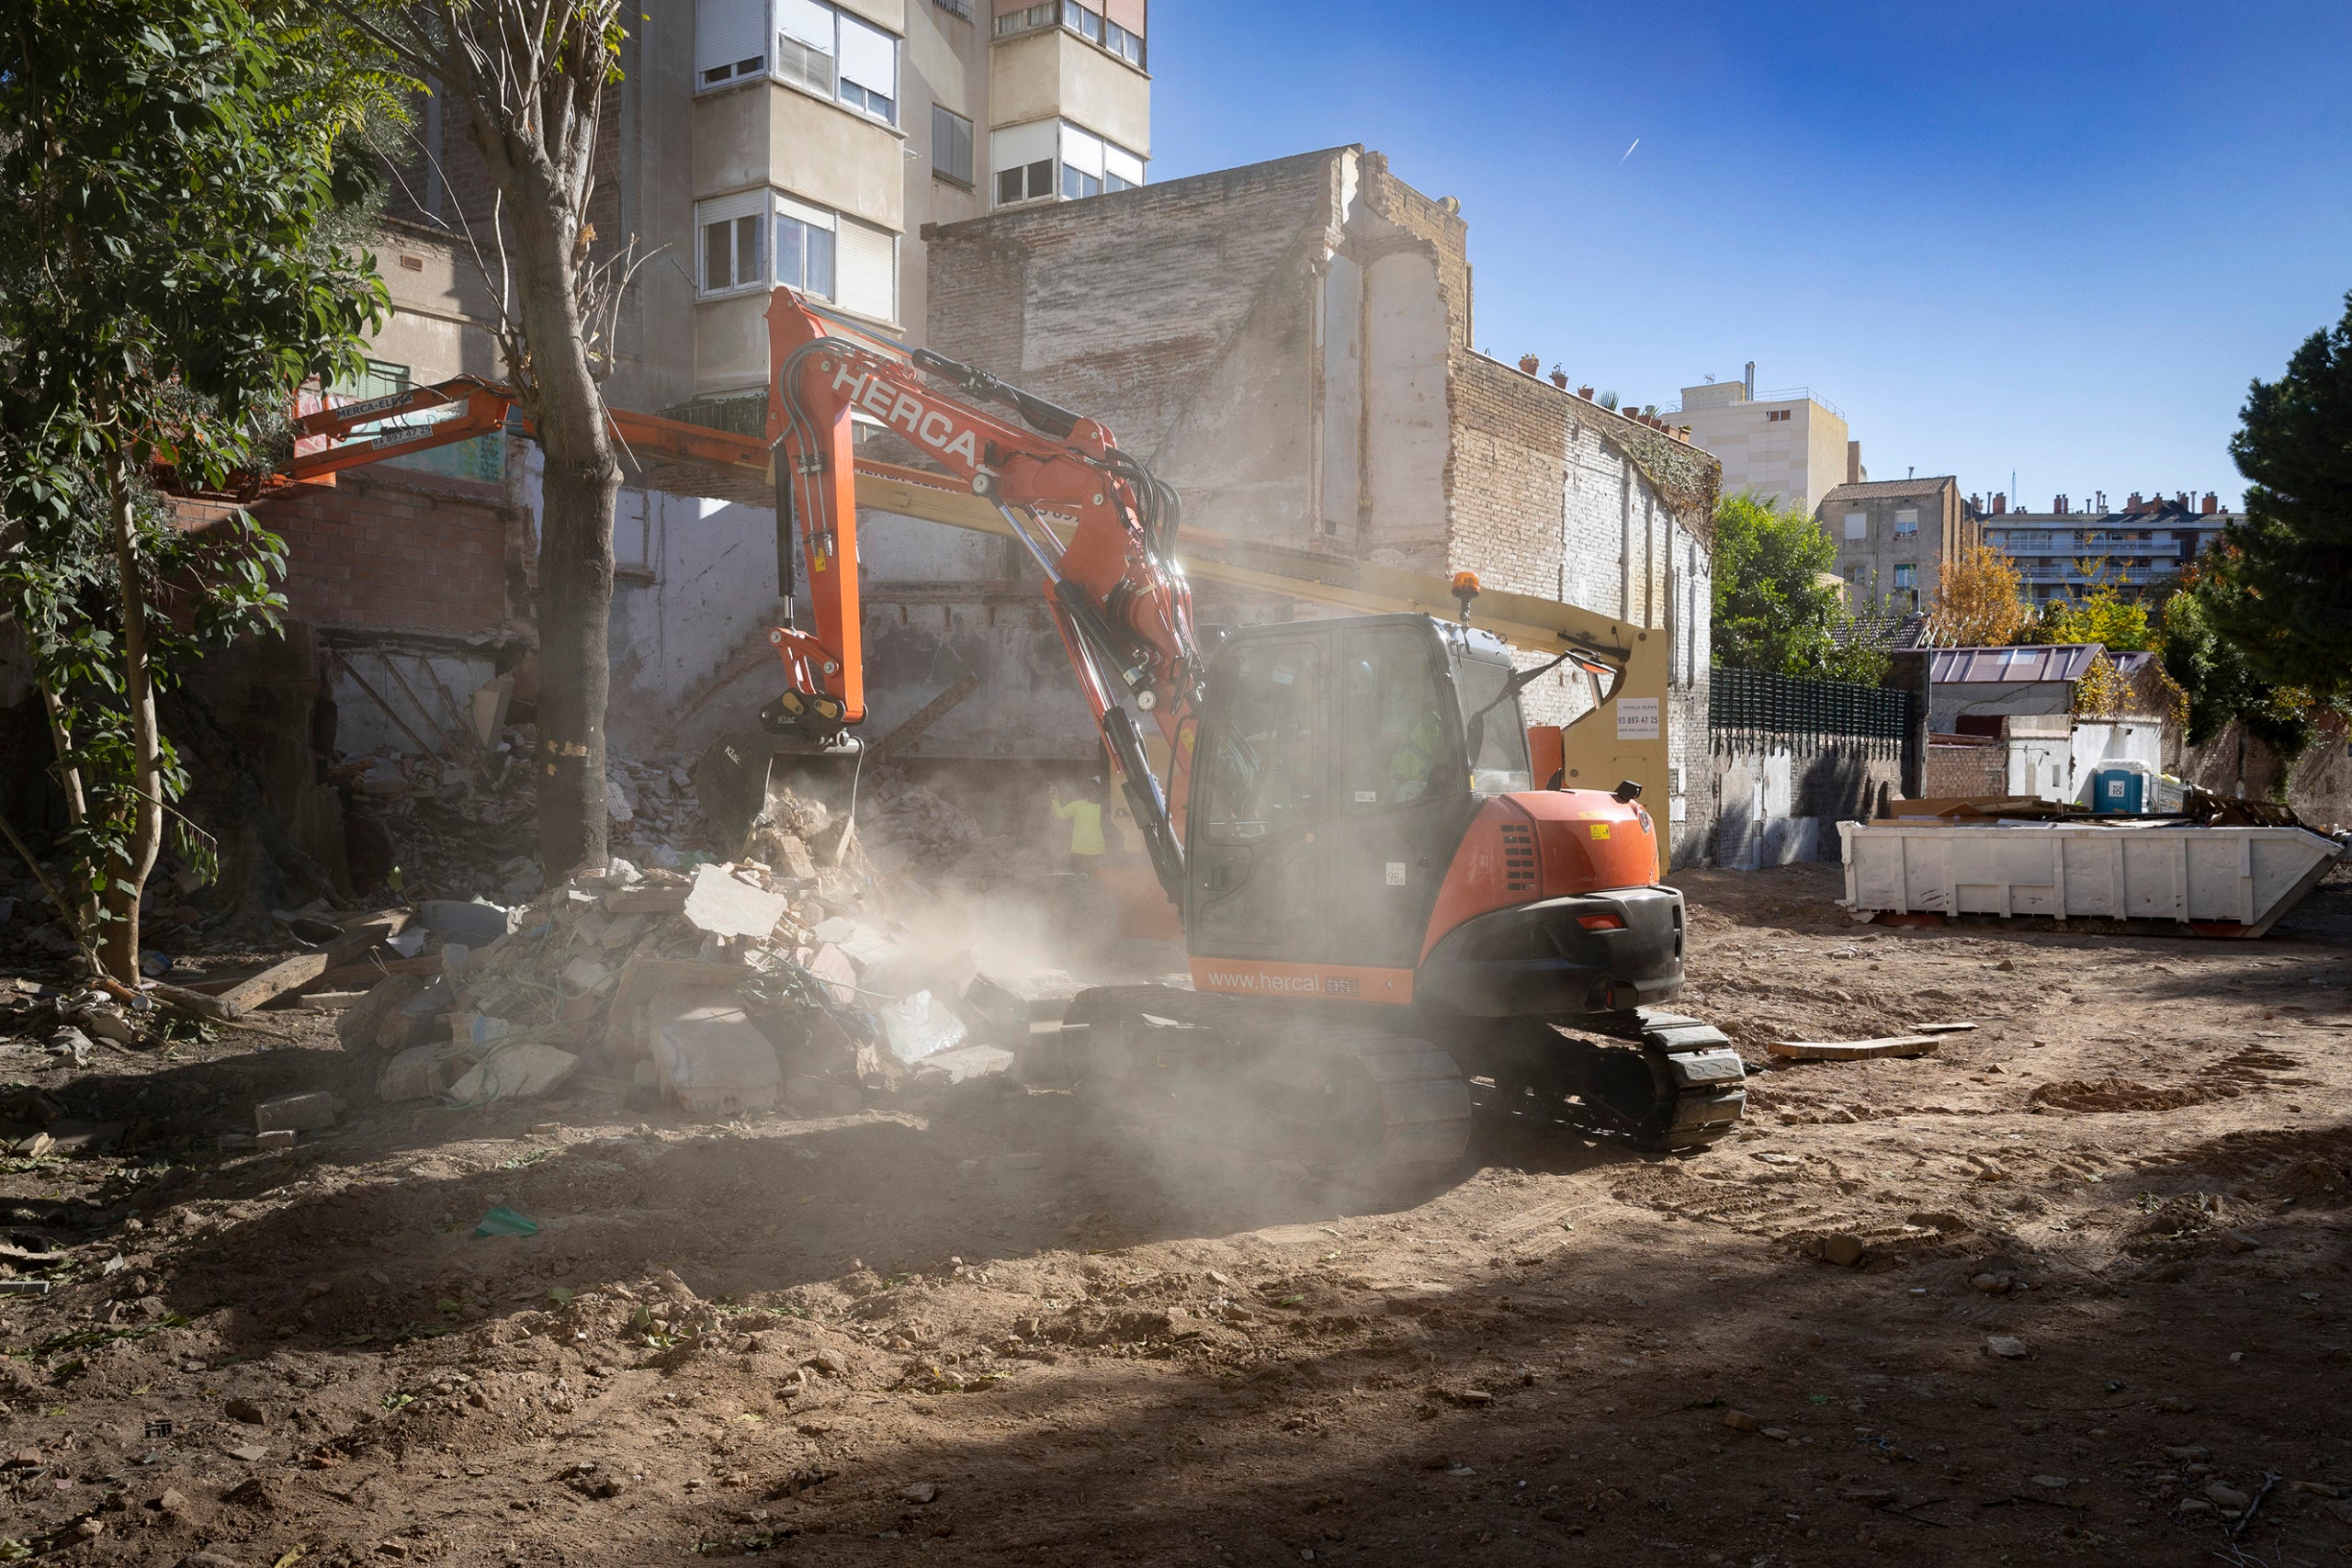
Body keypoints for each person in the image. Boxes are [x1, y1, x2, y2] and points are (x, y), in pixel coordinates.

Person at [1050, 776, 1107, 869]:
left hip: (1098, 855)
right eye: (1091, 786)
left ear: (1101, 790)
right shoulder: (1077, 805)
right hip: (1078, 855)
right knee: (1077, 883)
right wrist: (1054, 798)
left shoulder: (1106, 809)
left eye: (1096, 787)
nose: (1092, 789)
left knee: (1097, 883)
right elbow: (1058, 814)